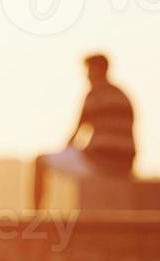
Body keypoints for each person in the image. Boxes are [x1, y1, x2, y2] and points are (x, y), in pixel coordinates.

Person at [32, 53, 137, 210]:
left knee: (40, 161)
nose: (87, 75)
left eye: (88, 70)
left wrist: (65, 152)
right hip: (125, 164)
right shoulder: (123, 95)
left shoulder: (95, 95)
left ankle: (35, 216)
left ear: (96, 70)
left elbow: (77, 132)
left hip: (99, 162)